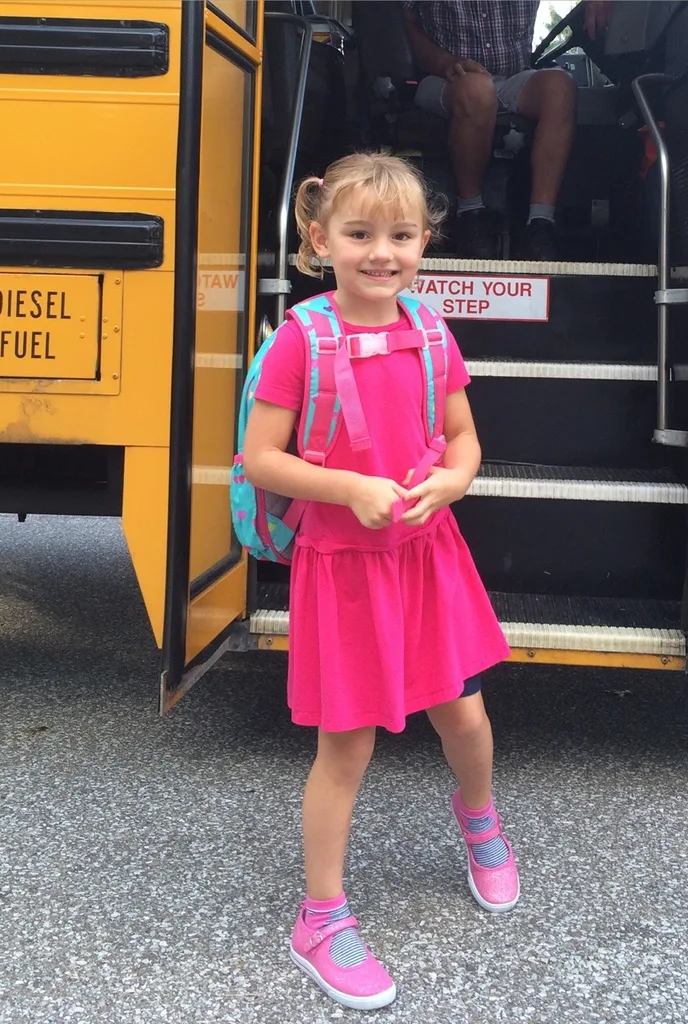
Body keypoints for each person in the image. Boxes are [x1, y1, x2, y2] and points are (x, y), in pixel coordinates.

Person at [242, 152, 516, 1011]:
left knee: (463, 715)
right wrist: (350, 489)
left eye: (401, 235)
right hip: (345, 571)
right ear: (320, 240)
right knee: (347, 746)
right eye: (360, 234)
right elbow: (261, 458)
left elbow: (463, 436)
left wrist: (455, 481)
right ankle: (320, 918)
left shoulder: (431, 332)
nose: (381, 252)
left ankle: (480, 818)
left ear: (425, 241)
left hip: (427, 557)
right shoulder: (301, 338)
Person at [401, 0, 612, 260]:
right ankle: (470, 215)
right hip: (444, 77)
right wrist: (445, 62)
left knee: (560, 87)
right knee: (478, 91)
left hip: (513, 78)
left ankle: (540, 224)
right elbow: (408, 19)